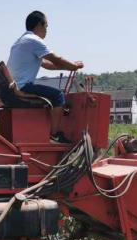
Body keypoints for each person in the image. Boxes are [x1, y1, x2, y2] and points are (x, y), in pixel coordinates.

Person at [5, 10, 84, 143]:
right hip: (23, 87)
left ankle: (47, 128)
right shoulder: (34, 41)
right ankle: (54, 134)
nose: (47, 30)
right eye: (46, 26)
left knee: (51, 95)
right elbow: (55, 58)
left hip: (12, 87)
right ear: (39, 25)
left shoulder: (20, 42)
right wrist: (73, 66)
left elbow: (47, 64)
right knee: (58, 96)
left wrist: (68, 67)